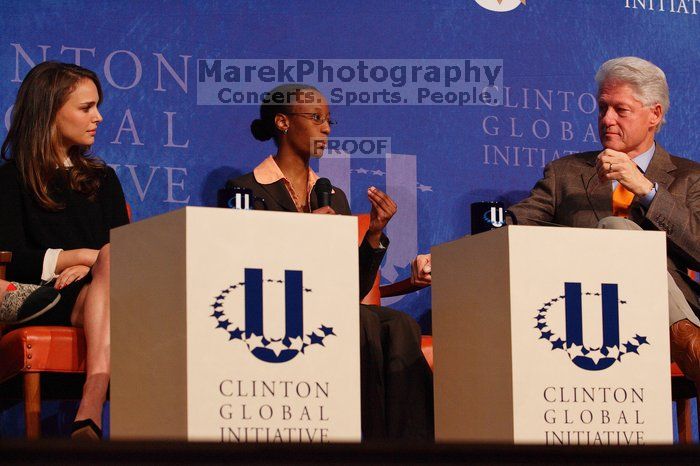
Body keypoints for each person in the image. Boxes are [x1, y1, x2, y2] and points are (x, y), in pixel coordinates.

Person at [411, 56, 700, 388]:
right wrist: (447, 261)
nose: (606, 120)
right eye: (602, 108)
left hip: (657, 316)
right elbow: (514, 229)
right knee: (615, 228)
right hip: (578, 316)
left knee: (620, 231)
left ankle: (683, 337)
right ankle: (690, 346)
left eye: (620, 110)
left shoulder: (690, 178)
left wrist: (647, 191)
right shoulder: (566, 174)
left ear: (654, 114)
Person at [228, 84, 434, 441]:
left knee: (401, 324)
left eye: (329, 120)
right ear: (283, 122)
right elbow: (244, 266)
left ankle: (410, 445)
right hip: (278, 304)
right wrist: (304, 236)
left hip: (329, 304)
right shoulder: (246, 189)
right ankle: (364, 441)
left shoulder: (330, 194)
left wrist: (374, 234)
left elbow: (352, 287)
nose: (327, 128)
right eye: (316, 118)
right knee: (363, 324)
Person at [0, 61, 129, 439]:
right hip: (37, 297)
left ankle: (89, 405)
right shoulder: (10, 179)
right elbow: (9, 256)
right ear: (49, 111)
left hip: (97, 291)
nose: (99, 117)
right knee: (105, 258)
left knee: (115, 260)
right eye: (86, 108)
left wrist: (96, 264)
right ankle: (92, 409)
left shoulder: (102, 179)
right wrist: (78, 258)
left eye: (97, 106)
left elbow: (122, 253)